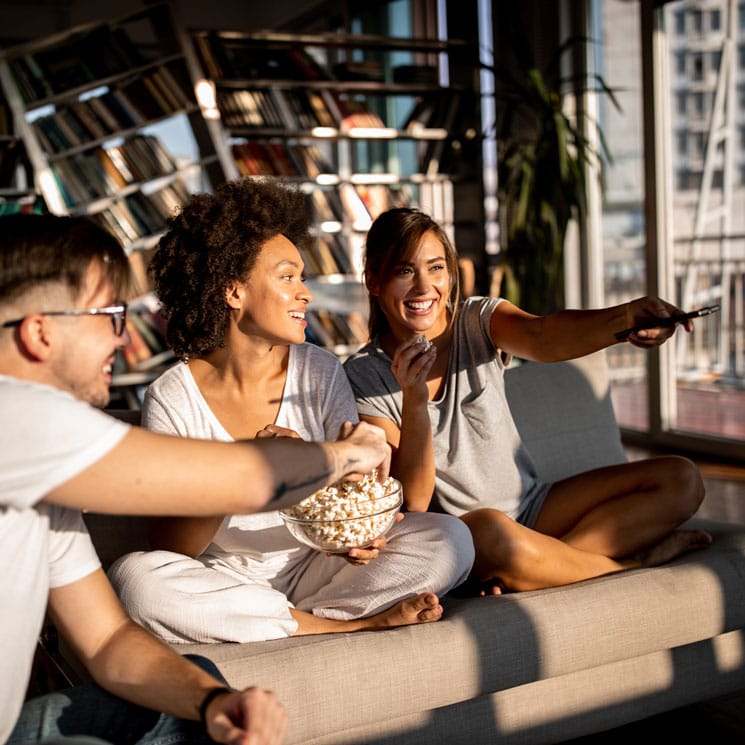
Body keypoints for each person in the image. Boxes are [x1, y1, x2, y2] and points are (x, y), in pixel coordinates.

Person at [0, 212, 393, 745]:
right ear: (39, 332)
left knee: (196, 696)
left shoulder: (49, 485)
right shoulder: (16, 420)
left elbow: (110, 640)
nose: (122, 340)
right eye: (108, 316)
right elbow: (249, 480)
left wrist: (213, 702)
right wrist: (350, 451)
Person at [108, 179, 474, 644]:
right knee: (136, 582)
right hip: (225, 581)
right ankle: (345, 626)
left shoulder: (320, 371)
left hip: (318, 570)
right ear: (233, 290)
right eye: (287, 277)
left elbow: (349, 501)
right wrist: (247, 467)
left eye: (302, 278)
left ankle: (280, 624)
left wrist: (358, 536)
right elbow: (173, 547)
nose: (306, 294)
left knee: (450, 540)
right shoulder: (172, 396)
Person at [343, 206, 712, 596]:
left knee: (682, 479)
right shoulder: (364, 375)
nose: (424, 287)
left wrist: (624, 320)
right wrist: (413, 399)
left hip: (535, 505)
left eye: (436, 268)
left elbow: (543, 335)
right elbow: (414, 500)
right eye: (404, 271)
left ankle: (541, 567)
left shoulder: (477, 320)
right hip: (470, 536)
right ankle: (630, 564)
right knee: (490, 529)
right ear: (373, 280)